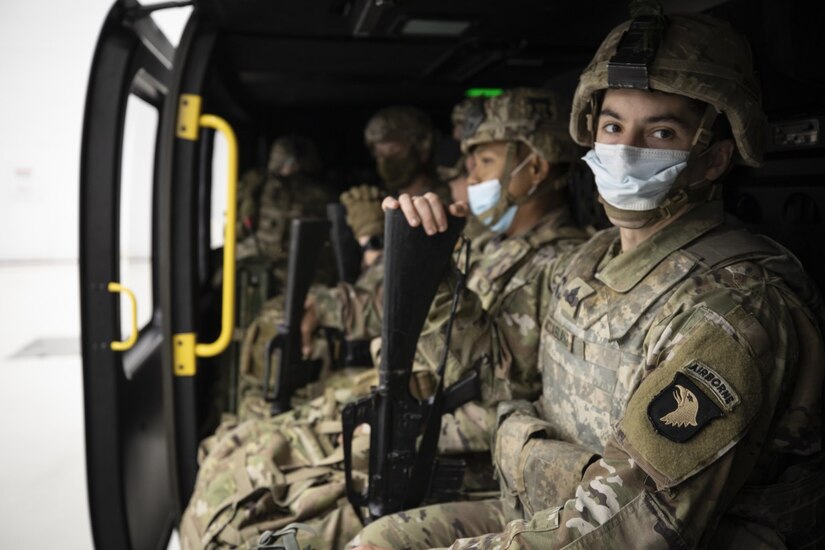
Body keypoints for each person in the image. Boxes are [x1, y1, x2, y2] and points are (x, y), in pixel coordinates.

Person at [351, 9, 825, 549]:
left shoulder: (736, 309)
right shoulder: (586, 260)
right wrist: (431, 272)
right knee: (380, 539)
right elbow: (495, 379)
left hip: (611, 532)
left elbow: (632, 529)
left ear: (713, 158)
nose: (625, 149)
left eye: (661, 131)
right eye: (613, 126)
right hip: (546, 511)